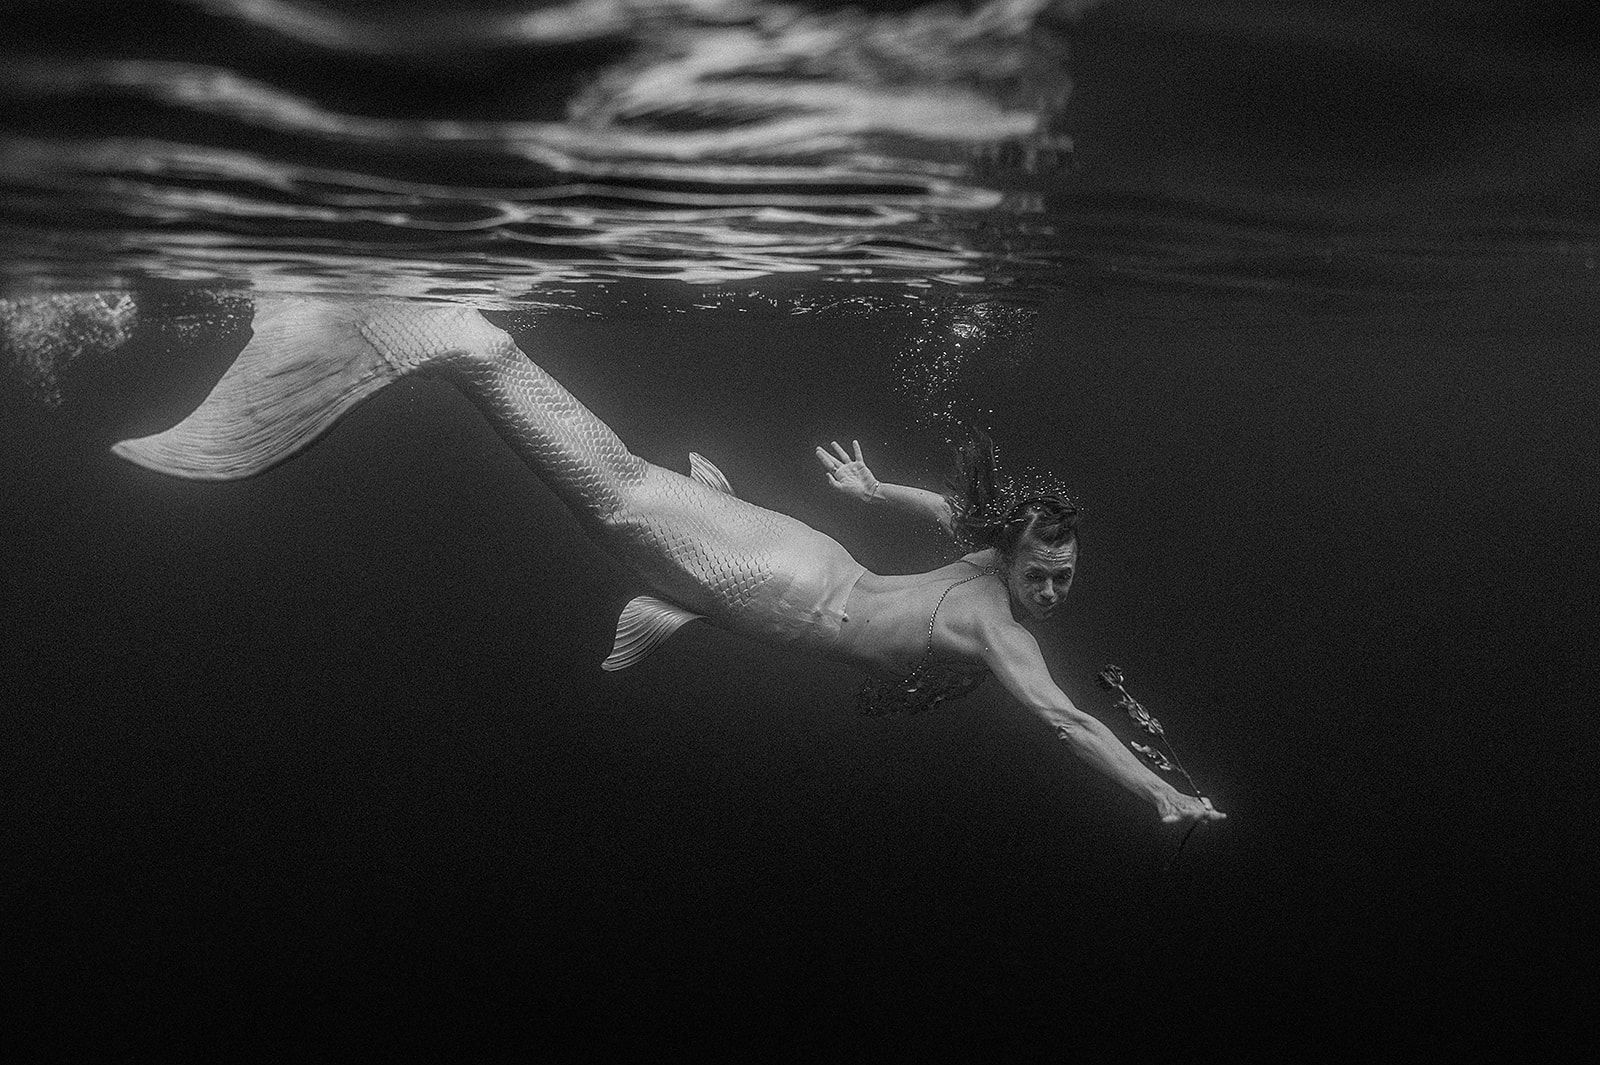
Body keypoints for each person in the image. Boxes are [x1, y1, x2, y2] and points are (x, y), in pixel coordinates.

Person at [114, 296, 1223, 826]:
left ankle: (455, 354)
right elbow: (1066, 720)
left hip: (791, 556)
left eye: (1065, 574)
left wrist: (873, 491)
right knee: (618, 481)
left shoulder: (980, 553)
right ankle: (460, 342)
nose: (1058, 585)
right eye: (1051, 564)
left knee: (643, 484)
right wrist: (1157, 795)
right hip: (771, 583)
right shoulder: (998, 626)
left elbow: (953, 508)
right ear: (1012, 548)